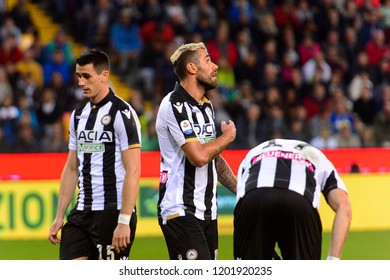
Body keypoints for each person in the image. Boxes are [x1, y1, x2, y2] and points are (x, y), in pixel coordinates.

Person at [48, 48, 142, 260]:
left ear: (104, 76)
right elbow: (72, 167)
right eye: (79, 76)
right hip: (82, 212)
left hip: (113, 212)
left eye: (87, 76)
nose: (81, 82)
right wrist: (59, 215)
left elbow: (133, 170)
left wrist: (124, 221)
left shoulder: (123, 114)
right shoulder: (78, 116)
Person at [155, 42, 237, 260]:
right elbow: (199, 157)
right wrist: (226, 137)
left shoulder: (205, 106)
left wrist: (241, 191)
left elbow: (213, 158)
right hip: (180, 210)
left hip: (207, 211)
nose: (215, 66)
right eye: (208, 60)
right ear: (192, 68)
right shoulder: (173, 105)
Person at [234, 138, 352, 260]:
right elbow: (344, 207)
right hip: (298, 201)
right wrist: (333, 260)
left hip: (254, 198)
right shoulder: (318, 156)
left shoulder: (253, 153)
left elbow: (242, 196)